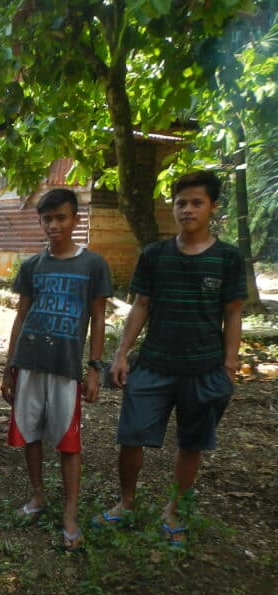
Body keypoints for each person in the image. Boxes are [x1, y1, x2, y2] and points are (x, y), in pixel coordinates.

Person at [109, 170, 245, 548]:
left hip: (203, 368)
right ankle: (127, 502)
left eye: (196, 202)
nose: (187, 210)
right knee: (131, 436)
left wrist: (229, 365)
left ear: (212, 208)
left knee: (191, 442)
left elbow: (233, 313)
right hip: (153, 364)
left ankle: (174, 510)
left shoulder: (228, 258)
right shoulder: (154, 255)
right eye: (181, 203)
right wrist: (121, 354)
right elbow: (141, 305)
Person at [0, 188, 112, 552]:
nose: (54, 225)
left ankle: (70, 513)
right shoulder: (33, 265)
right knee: (29, 434)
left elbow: (97, 318)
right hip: (29, 363)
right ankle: (37, 495)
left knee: (68, 442)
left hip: (66, 368)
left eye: (61, 218)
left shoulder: (93, 264)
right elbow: (20, 316)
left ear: (75, 219)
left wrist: (94, 368)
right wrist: (8, 366)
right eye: (47, 219)